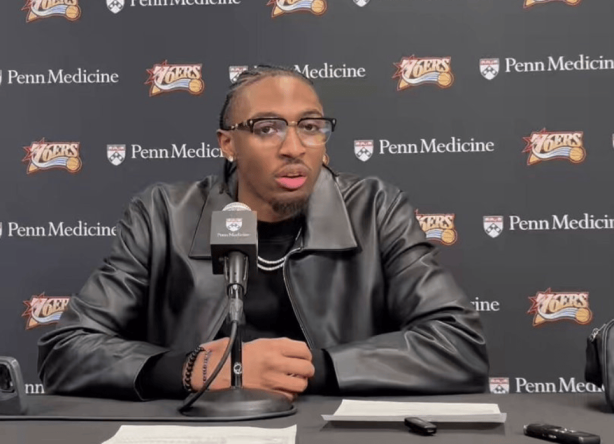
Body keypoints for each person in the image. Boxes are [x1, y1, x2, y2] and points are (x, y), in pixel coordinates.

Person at [37, 65, 489, 401]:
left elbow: (458, 344)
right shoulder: (162, 214)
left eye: (310, 127)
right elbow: (66, 350)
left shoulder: (375, 209)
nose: (294, 147)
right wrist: (194, 369)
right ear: (228, 144)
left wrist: (308, 369)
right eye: (267, 128)